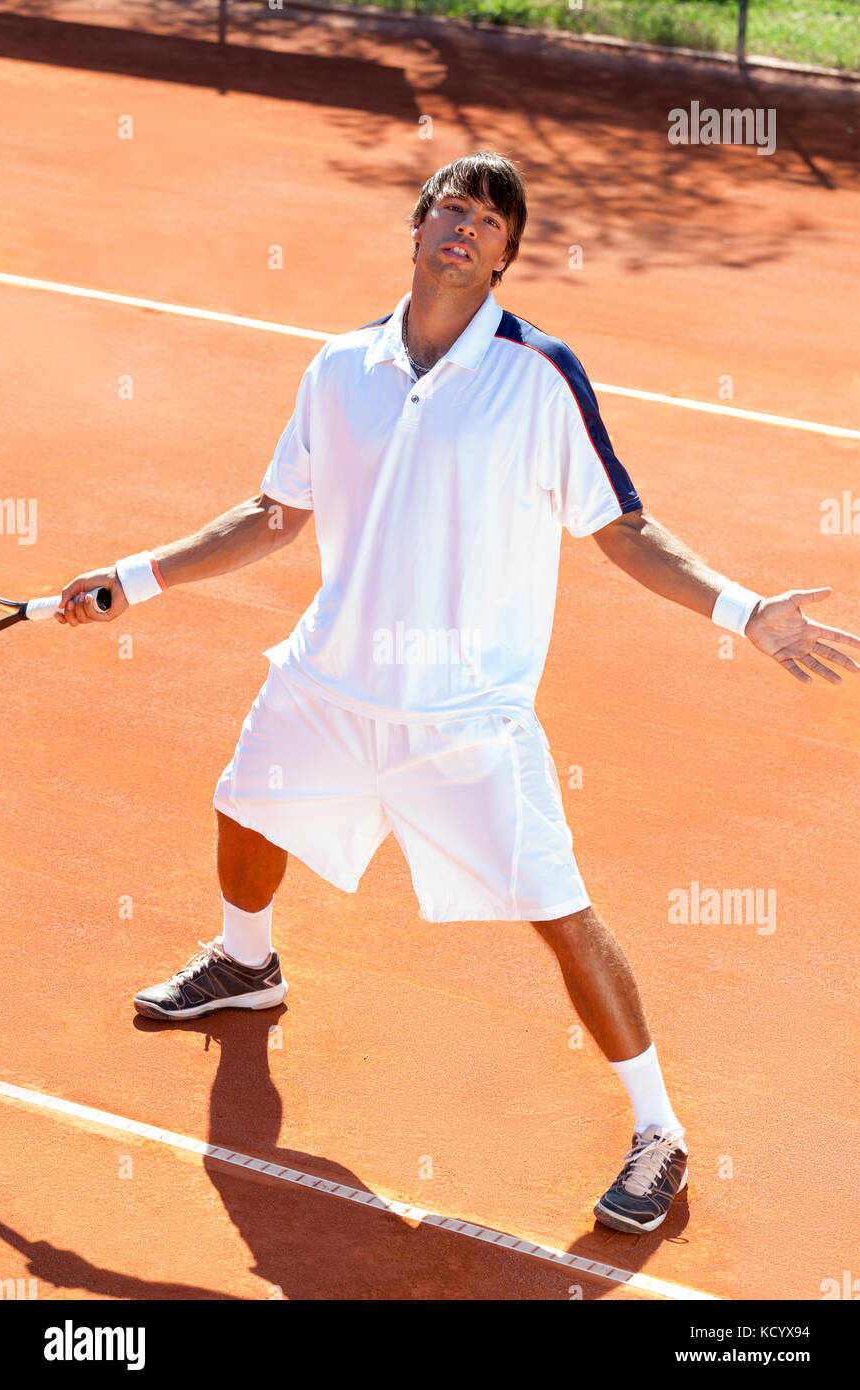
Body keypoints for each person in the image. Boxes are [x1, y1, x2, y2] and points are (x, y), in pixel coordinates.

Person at [57, 151, 860, 1236]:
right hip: (330, 682)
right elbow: (273, 513)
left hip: (463, 721)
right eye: (450, 207)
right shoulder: (338, 367)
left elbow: (618, 523)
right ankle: (247, 964)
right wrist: (132, 578)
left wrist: (740, 609)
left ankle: (658, 1132)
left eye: (489, 220)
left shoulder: (537, 376)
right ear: (418, 225)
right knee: (244, 801)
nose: (465, 227)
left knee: (559, 915)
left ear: (505, 256)